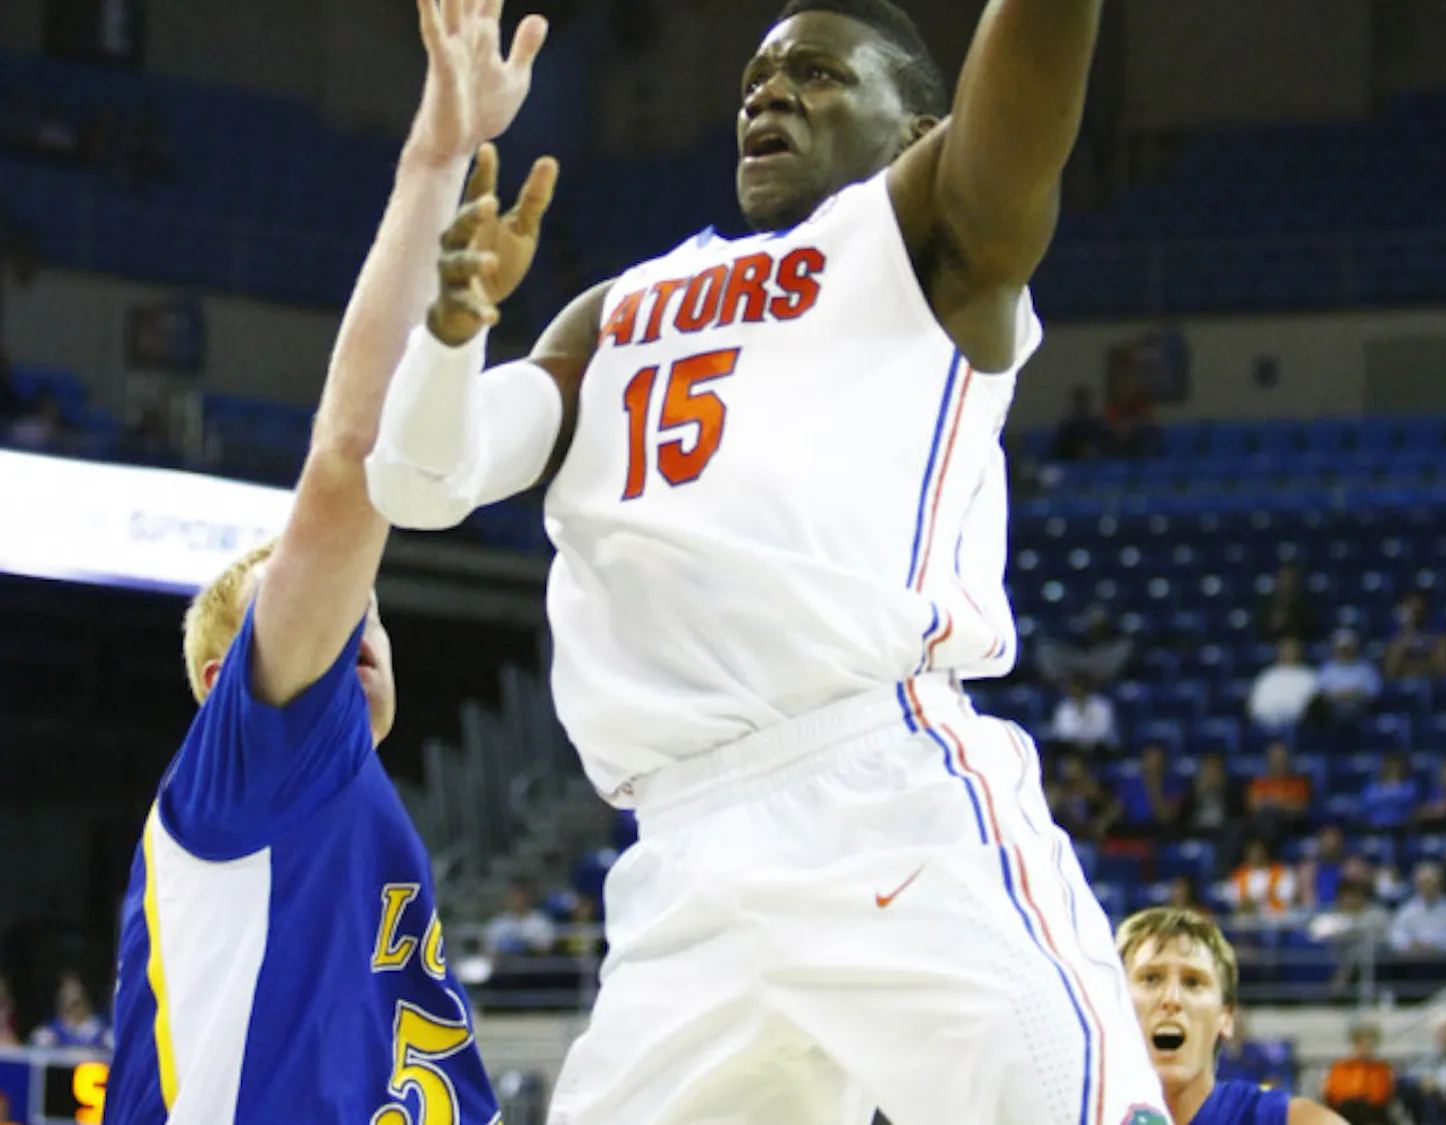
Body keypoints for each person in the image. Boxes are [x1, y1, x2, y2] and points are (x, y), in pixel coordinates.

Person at [367, 1, 1171, 1122]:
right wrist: (452, 339)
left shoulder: (924, 243)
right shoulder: (616, 309)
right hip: (679, 859)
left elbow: (1020, 105)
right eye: (754, 76)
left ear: (918, 131)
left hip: (877, 799)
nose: (770, 92)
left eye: (818, 74)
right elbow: (417, 482)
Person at [101, 3, 554, 1122]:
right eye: (319, 615)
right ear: (225, 688)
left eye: (367, 617)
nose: (354, 628)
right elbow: (352, 469)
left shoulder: (338, 812)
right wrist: (436, 160)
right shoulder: (258, 765)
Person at [1117, 906, 1347, 1125]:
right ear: (1112, 1003)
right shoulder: (1083, 1112)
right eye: (1150, 978)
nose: (1172, 998)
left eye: (1193, 982)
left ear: (1225, 1018)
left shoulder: (1285, 1119)